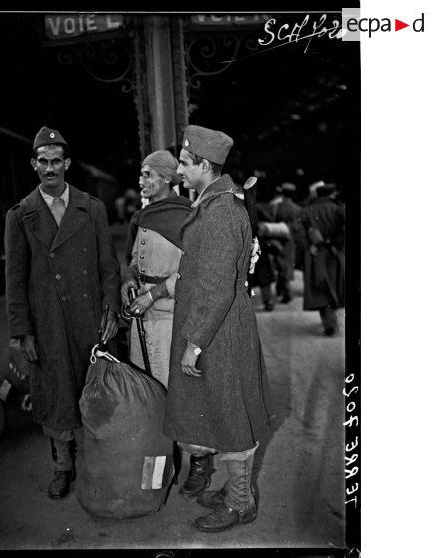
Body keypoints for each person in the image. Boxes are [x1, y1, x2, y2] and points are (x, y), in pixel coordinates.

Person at [163, 125, 275, 533]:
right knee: (226, 412)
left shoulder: (220, 213)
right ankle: (235, 492)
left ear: (204, 166)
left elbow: (214, 286)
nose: (179, 168)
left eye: (184, 162)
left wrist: (194, 344)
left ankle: (240, 503)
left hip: (219, 331)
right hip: (221, 328)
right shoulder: (216, 205)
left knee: (231, 416)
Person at [4, 126, 121, 499]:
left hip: (88, 315)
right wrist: (23, 331)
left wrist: (112, 307)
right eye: (43, 161)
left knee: (95, 388)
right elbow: (15, 279)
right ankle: (63, 465)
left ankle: (101, 460)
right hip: (48, 321)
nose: (50, 168)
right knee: (56, 394)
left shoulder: (93, 207)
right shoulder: (20, 216)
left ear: (67, 164)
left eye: (57, 161)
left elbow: (108, 265)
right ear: (34, 164)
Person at [121, 150, 192, 387]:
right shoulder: (142, 216)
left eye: (148, 175)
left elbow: (192, 271)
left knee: (169, 384)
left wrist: (154, 294)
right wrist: (130, 277)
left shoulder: (187, 216)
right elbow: (135, 260)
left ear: (166, 179)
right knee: (145, 386)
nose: (141, 181)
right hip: (141, 315)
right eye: (141, 175)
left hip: (170, 319)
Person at [294, 182, 345, 335]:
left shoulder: (307, 210)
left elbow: (297, 229)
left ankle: (330, 323)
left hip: (316, 254)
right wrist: (338, 246)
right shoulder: (339, 208)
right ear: (332, 194)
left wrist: (308, 246)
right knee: (335, 286)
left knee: (322, 289)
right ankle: (331, 323)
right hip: (335, 254)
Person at [272, 182, 301, 303]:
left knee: (280, 264)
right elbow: (297, 226)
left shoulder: (277, 206)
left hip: (279, 238)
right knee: (287, 265)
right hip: (290, 240)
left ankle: (282, 289)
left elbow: (273, 221)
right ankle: (285, 291)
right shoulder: (297, 208)